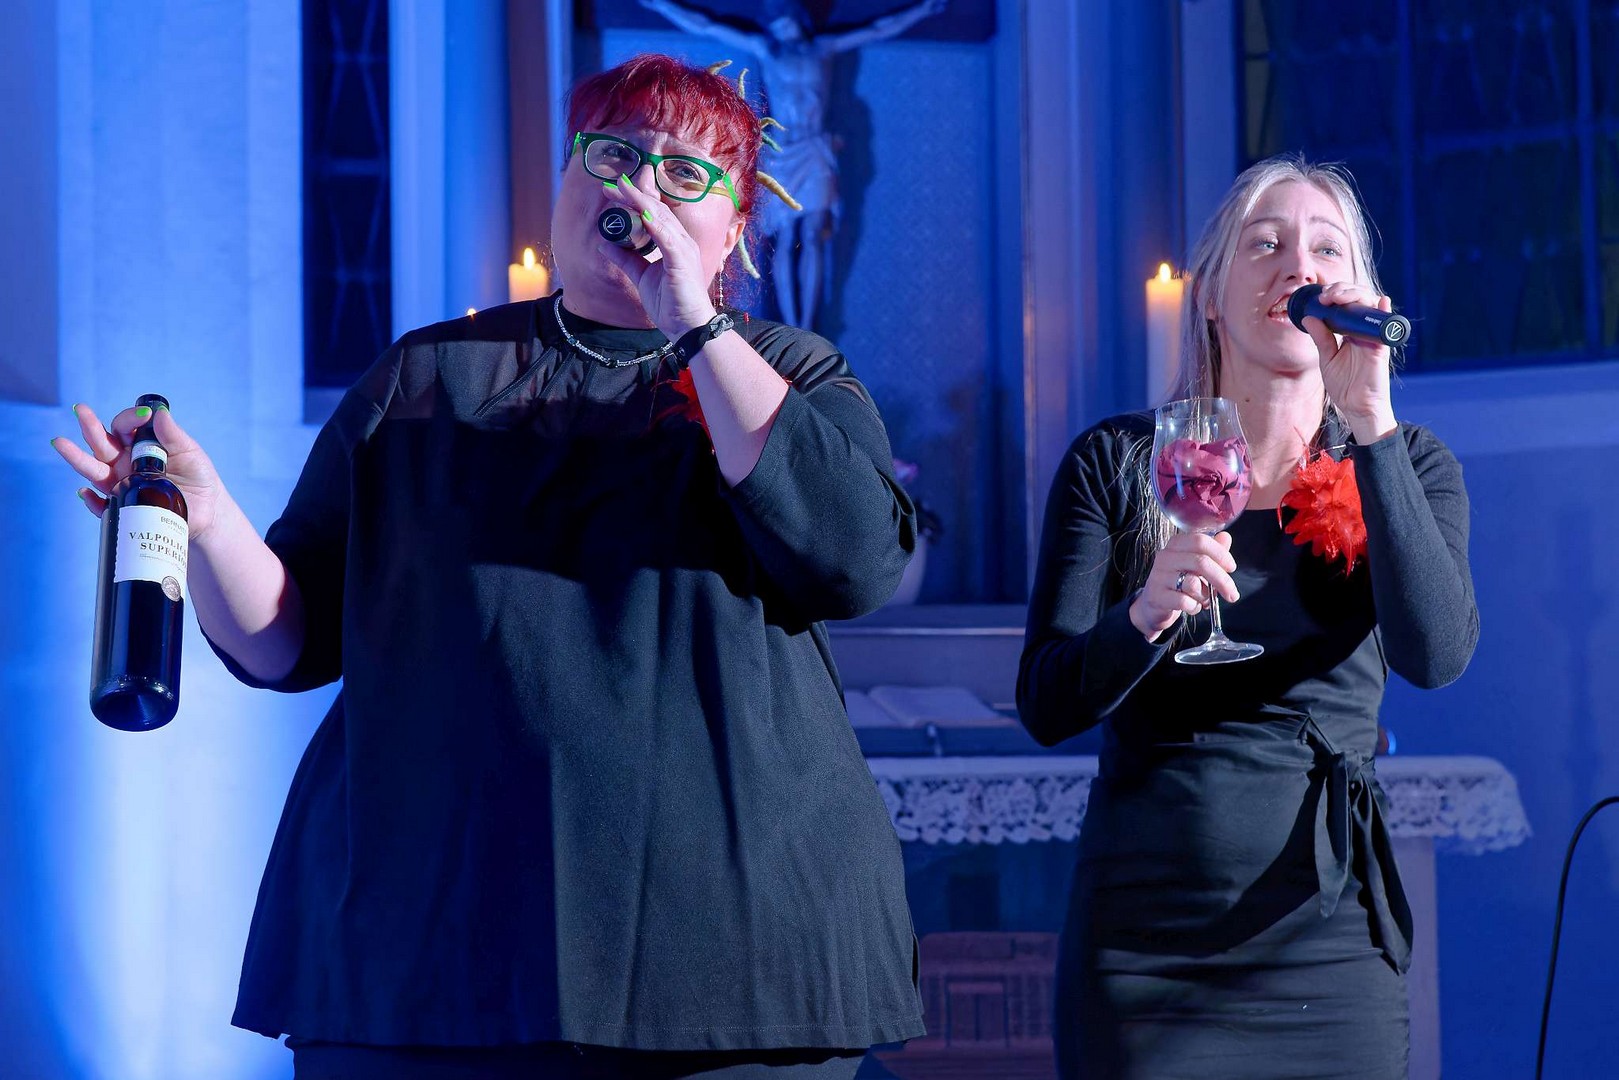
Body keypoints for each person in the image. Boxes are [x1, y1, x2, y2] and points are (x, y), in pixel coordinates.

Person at [54, 53, 924, 1080]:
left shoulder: (787, 372)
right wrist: (206, 520)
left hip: (727, 952)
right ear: (564, 185)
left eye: (684, 173)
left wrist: (695, 323)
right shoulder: (426, 376)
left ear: (733, 232)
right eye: (613, 155)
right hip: (433, 944)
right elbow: (286, 641)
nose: (640, 187)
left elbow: (853, 559)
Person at [1017, 155, 1479, 1079]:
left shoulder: (1410, 463)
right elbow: (1045, 703)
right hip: (1144, 942)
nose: (1296, 266)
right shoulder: (1117, 462)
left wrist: (1371, 422)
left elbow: (1434, 656)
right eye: (1265, 245)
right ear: (1209, 296)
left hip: (1325, 941)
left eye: (1324, 249)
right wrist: (1141, 618)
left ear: (1360, 294)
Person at [641, 0, 947, 330]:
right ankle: (791, 320)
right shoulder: (768, 49)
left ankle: (807, 320)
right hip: (783, 153)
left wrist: (923, 9)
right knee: (786, 238)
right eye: (776, 17)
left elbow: (876, 29)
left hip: (813, 148)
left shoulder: (822, 48)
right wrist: (661, 5)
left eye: (785, 14)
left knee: (814, 235)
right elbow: (706, 25)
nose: (781, 21)